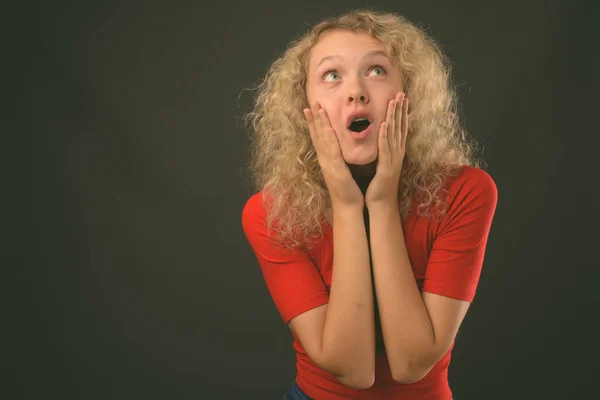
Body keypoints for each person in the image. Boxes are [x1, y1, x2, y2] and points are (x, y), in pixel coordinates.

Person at [240, 9, 497, 400]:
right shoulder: (269, 214)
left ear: (407, 93)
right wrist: (346, 205)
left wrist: (381, 202)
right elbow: (353, 370)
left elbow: (412, 364)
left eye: (376, 70)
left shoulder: (467, 192)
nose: (356, 91)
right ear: (303, 106)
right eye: (332, 75)